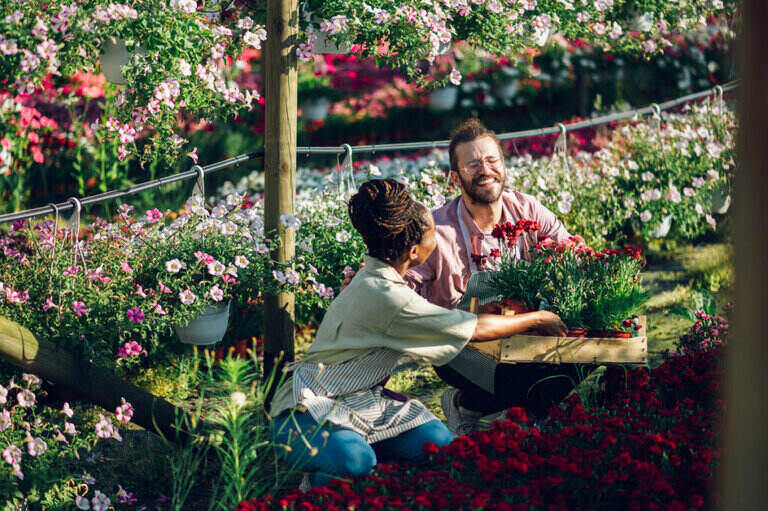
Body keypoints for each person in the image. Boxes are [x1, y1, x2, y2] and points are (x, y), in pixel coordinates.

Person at [270, 179, 567, 487]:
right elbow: (474, 330)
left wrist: (473, 315)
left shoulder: (376, 277)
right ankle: (320, 488)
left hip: (361, 401)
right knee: (356, 461)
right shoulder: (385, 294)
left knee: (438, 444)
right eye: (433, 235)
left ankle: (359, 464)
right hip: (307, 408)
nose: (436, 238)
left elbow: (436, 317)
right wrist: (538, 318)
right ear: (414, 251)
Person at [341, 118, 589, 435]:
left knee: (588, 349)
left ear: (503, 164)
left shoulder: (527, 209)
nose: (485, 170)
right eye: (473, 164)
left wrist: (571, 258)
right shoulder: (435, 231)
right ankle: (487, 405)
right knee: (516, 382)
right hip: (459, 346)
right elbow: (399, 281)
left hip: (523, 332)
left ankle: (489, 406)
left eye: (491, 160)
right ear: (455, 177)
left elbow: (571, 250)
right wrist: (367, 283)